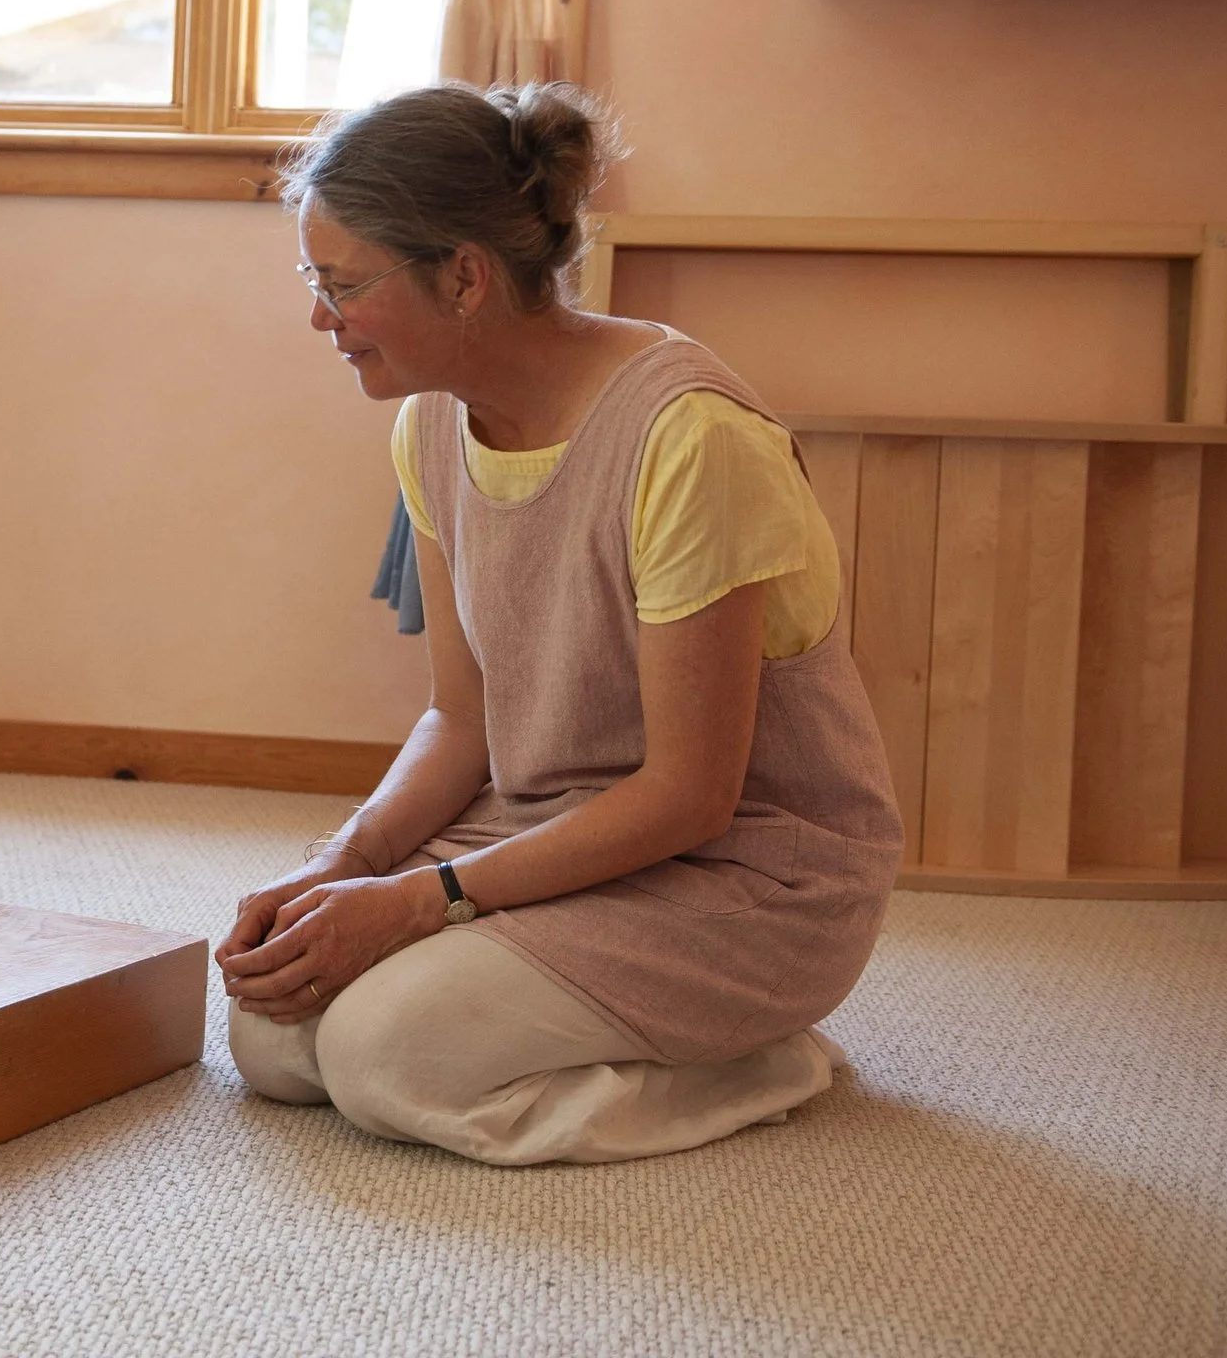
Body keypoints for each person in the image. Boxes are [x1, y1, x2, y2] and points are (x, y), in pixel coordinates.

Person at [218, 82, 901, 1165]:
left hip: (743, 875)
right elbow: (461, 719)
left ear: (466, 276)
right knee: (276, 1035)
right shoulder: (430, 425)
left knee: (381, 1054)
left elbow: (689, 793)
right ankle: (605, 1023)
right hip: (547, 829)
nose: (318, 317)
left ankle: (758, 1056)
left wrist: (417, 902)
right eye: (315, 280)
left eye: (341, 284)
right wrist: (344, 862)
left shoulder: (691, 439)